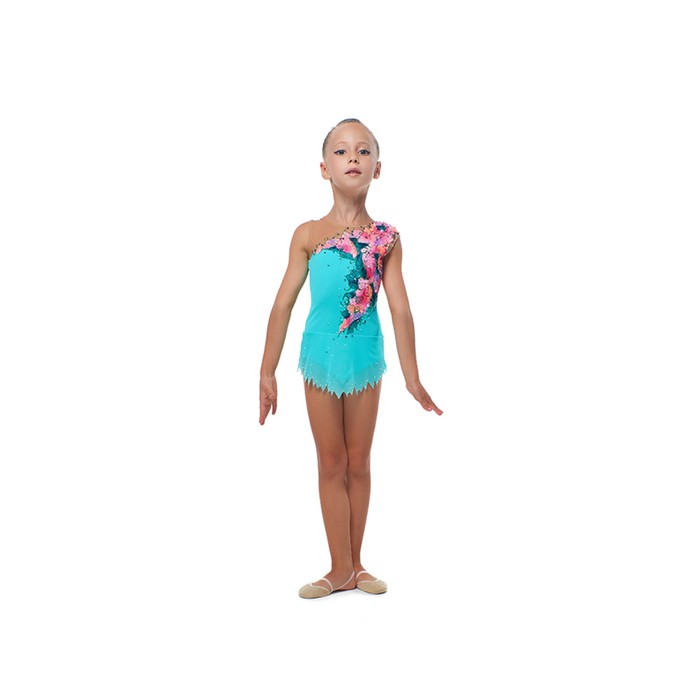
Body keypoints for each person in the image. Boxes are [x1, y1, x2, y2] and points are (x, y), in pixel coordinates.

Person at [259, 118, 442, 599]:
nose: (353, 158)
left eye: (363, 150)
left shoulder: (387, 238)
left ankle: (356, 565)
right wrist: (266, 370)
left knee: (359, 461)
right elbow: (282, 304)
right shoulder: (307, 233)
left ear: (377, 168)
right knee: (330, 460)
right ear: (324, 168)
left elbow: (400, 309)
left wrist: (412, 378)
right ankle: (337, 566)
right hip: (319, 356)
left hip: (365, 357)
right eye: (341, 151)